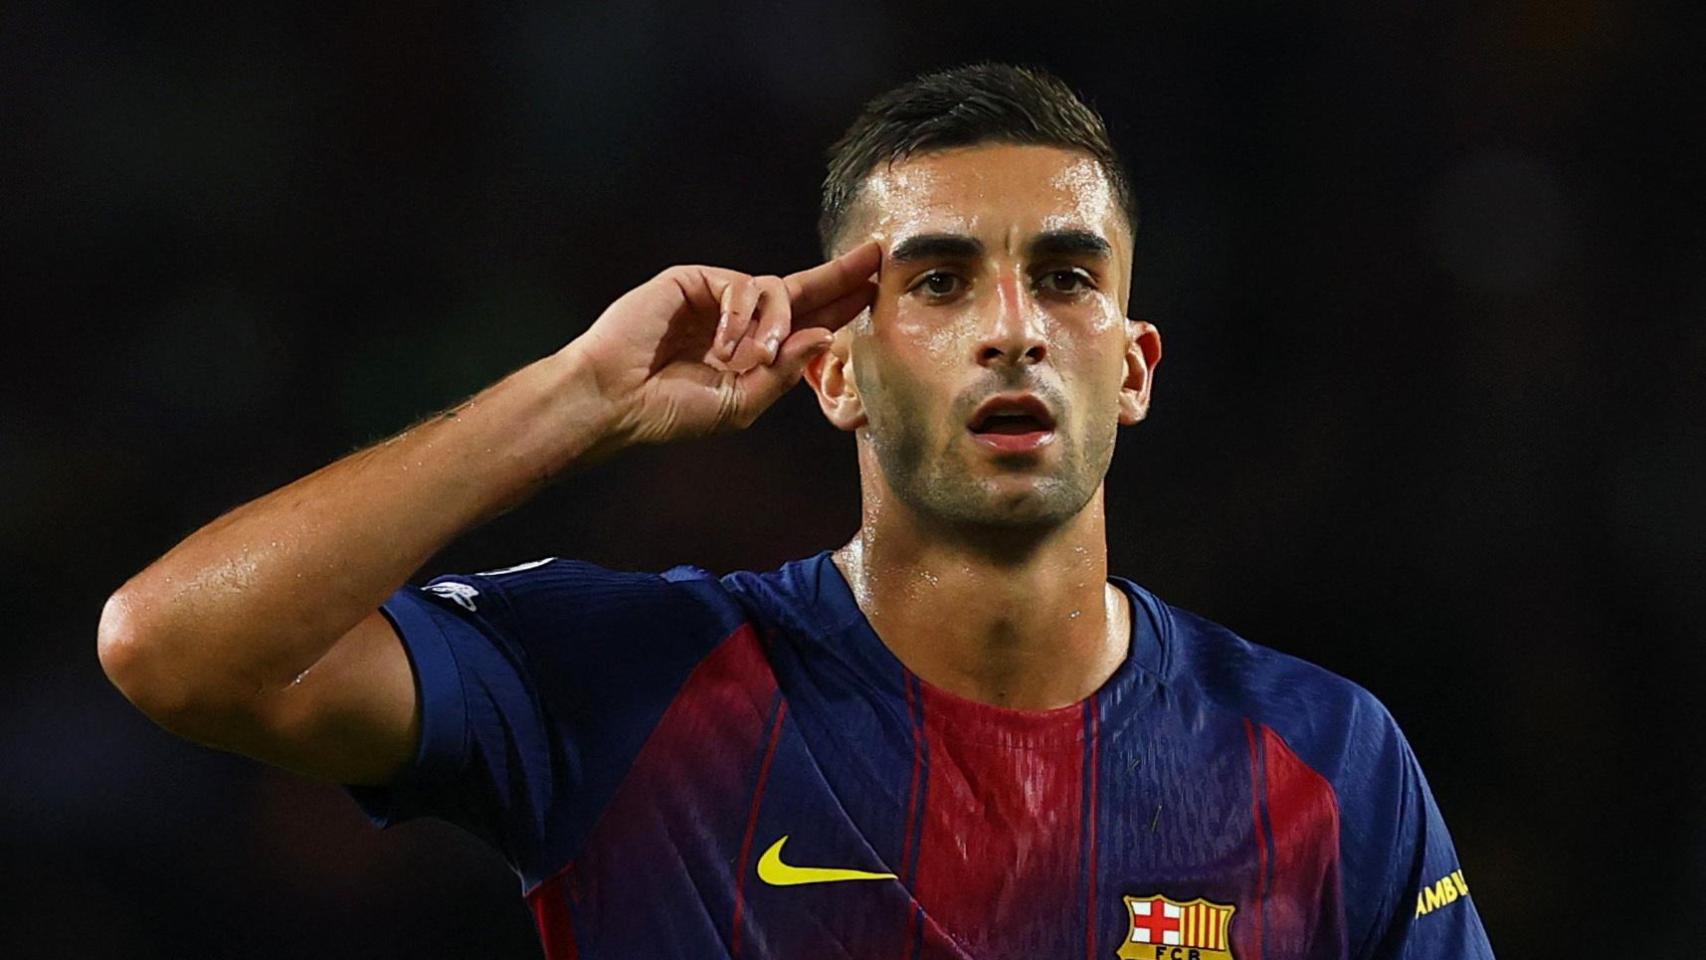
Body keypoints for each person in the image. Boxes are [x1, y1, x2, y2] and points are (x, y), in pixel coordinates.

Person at [96, 63, 1494, 959]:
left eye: (1067, 278)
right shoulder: (635, 684)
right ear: (834, 372)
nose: (1013, 328)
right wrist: (575, 396)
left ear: (1130, 370)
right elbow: (173, 646)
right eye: (937, 282)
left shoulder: (1324, 760)